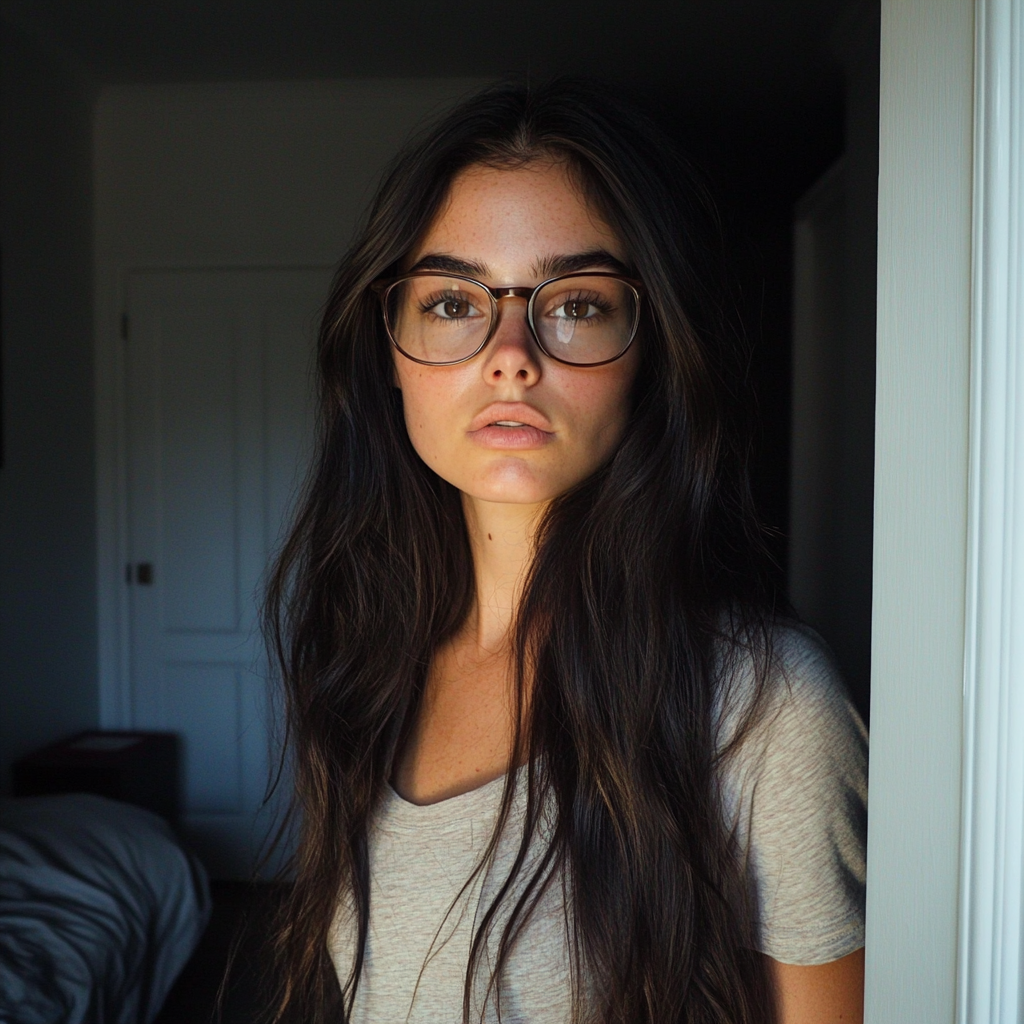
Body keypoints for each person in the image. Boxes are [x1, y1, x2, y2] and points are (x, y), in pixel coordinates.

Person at [264, 79, 867, 1024]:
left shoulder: (766, 706)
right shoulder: (368, 658)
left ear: (653, 347)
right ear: (390, 348)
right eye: (455, 301)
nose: (512, 352)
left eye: (578, 303)